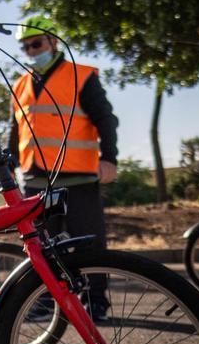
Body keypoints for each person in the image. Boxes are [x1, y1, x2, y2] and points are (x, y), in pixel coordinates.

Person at [9, 16, 118, 320]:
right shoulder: (19, 85)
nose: (31, 51)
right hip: (35, 180)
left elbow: (106, 120)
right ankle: (46, 301)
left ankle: (96, 300)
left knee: (90, 243)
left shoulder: (81, 77)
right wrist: (7, 170)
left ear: (53, 41)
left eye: (37, 43)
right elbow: (16, 132)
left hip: (78, 177)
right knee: (43, 246)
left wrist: (109, 158)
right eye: (26, 46)